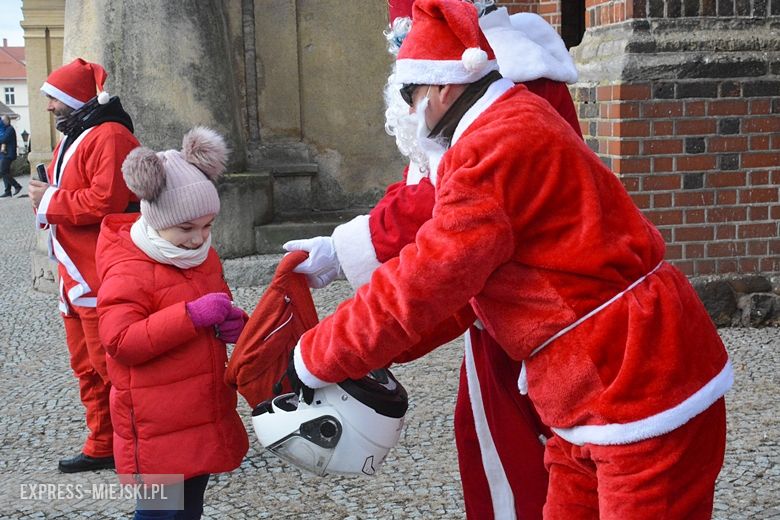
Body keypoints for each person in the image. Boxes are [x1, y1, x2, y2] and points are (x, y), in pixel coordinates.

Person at [285, 1, 732, 518]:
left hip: (639, 381)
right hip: (586, 391)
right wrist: (371, 353)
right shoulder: (503, 125)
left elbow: (424, 280)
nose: (410, 111)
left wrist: (315, 356)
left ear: (444, 85)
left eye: (412, 94)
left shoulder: (495, 146)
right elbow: (468, 291)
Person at [283, 3, 580, 518]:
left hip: (549, 324)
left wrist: (321, 352)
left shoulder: (492, 120)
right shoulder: (472, 95)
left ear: (442, 84)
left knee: (518, 452)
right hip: (533, 308)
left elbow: (437, 252)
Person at [95, 127, 249, 520]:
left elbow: (218, 304)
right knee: (160, 513)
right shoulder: (128, 268)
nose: (199, 239)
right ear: (157, 218)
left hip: (199, 410)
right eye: (186, 229)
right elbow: (120, 339)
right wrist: (192, 316)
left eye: (207, 226)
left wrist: (233, 323)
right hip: (155, 421)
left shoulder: (201, 256)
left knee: (189, 508)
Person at [28, 58, 140, 473]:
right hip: (75, 270)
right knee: (87, 366)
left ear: (74, 99)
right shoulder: (80, 134)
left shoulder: (109, 135)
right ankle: (102, 443)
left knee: (110, 367)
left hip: (100, 270)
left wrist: (50, 200)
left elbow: (106, 201)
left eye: (54, 99)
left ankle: (133, 445)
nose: (49, 108)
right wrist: (46, 196)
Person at [0, 115, 22, 197]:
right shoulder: (7, 129)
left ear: (7, 121)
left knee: (3, 171)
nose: (1, 122)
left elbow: (3, 139)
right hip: (6, 154)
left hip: (9, 154)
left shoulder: (10, 129)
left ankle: (17, 186)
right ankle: (8, 191)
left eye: (3, 121)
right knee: (6, 171)